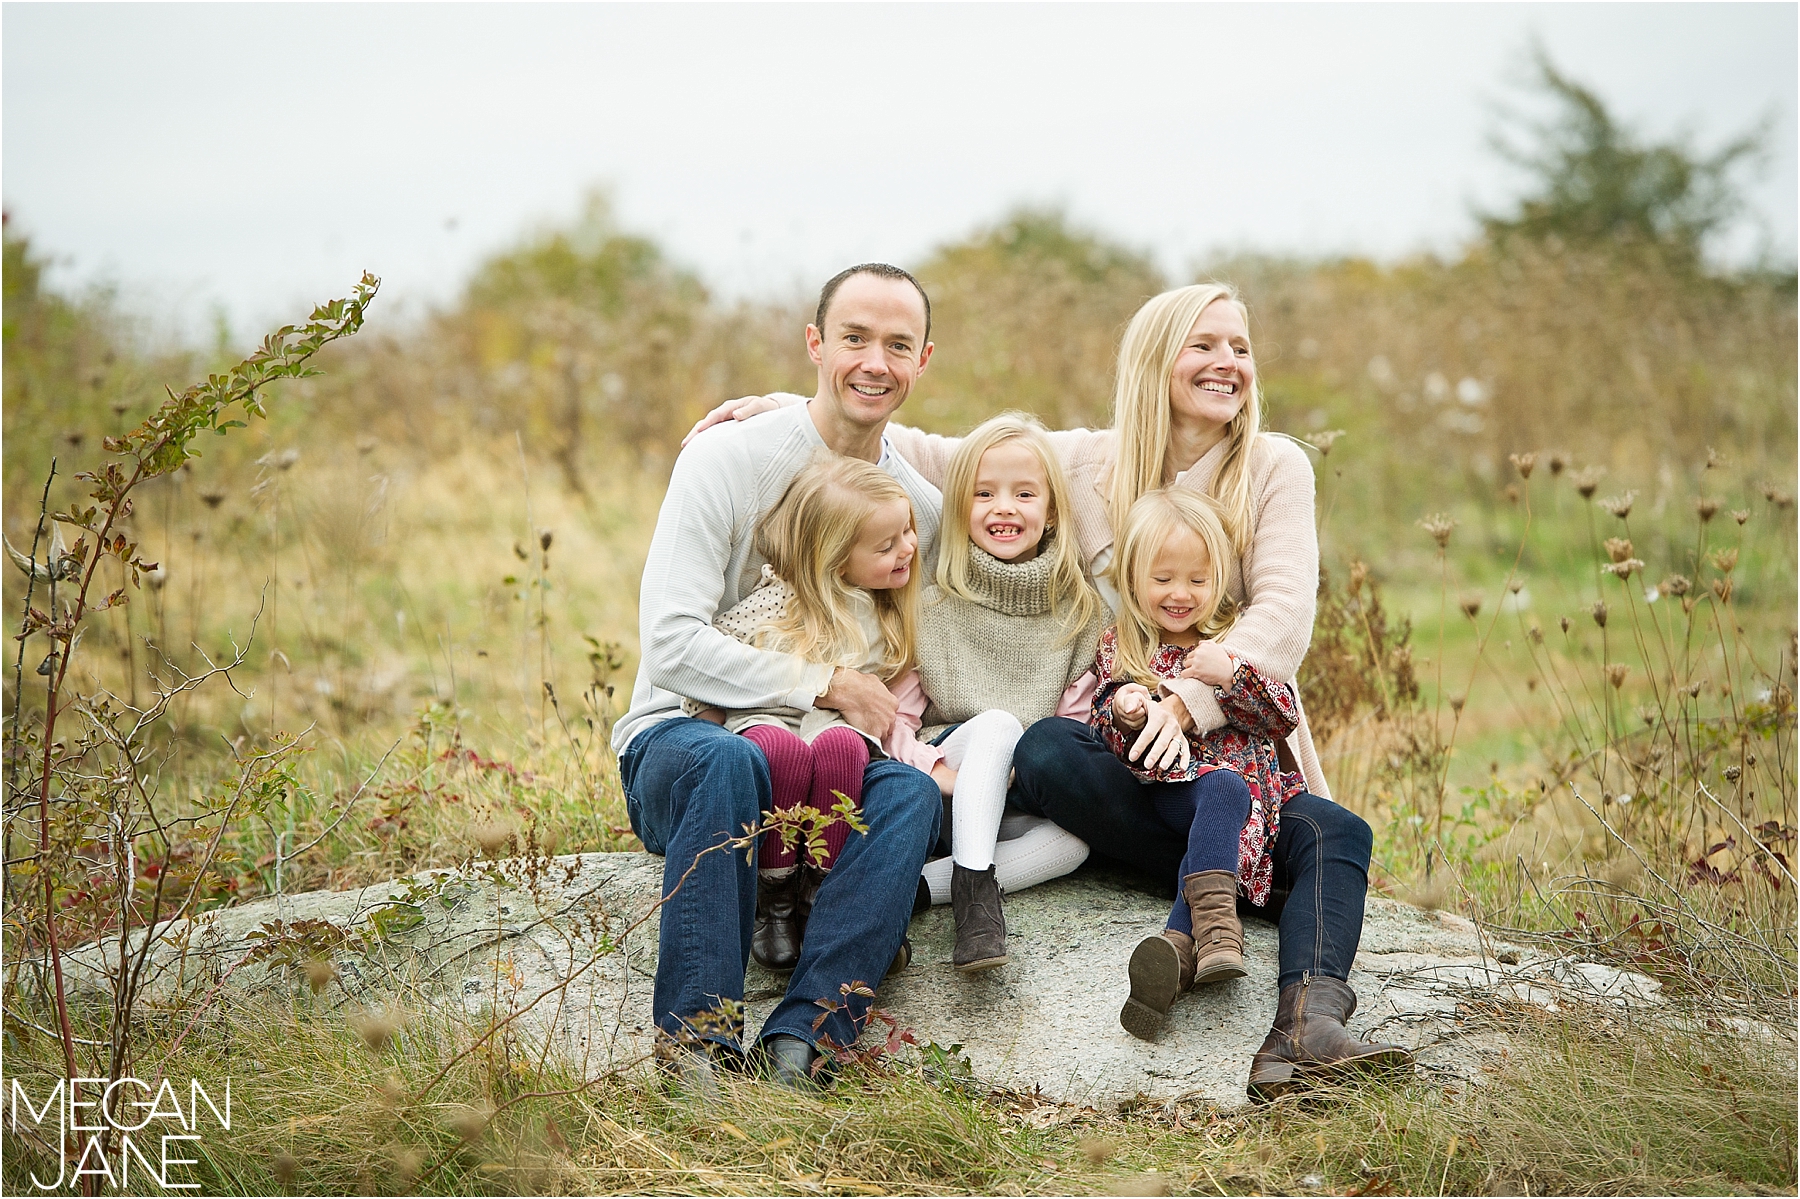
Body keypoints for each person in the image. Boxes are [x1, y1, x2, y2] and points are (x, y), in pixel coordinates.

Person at [688, 282, 1409, 1101]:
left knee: (1334, 830)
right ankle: (1009, 883)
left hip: (1227, 760)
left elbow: (1280, 620)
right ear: (1153, 359)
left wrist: (1188, 706)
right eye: (1203, 344)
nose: (1228, 363)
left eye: (1240, 347)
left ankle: (1306, 1027)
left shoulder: (1275, 465)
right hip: (1116, 769)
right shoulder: (1091, 461)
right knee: (1044, 744)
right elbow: (946, 455)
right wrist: (799, 406)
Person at [613, 263, 944, 1094]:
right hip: (686, 740)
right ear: (815, 344)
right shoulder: (727, 459)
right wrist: (824, 682)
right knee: (734, 761)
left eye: (897, 345)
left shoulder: (919, 508)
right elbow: (672, 644)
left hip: (826, 760)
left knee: (905, 794)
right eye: (854, 338)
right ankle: (697, 1044)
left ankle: (806, 1038)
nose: (875, 362)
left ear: (923, 361)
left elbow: (1036, 463)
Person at [681, 453, 941, 974]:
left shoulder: (884, 608)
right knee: (779, 752)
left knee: (844, 748)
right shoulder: (776, 602)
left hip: (835, 726)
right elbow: (706, 661)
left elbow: (890, 698)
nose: (909, 548)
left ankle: (819, 892)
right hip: (767, 716)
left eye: (908, 532)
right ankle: (774, 898)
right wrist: (707, 722)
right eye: (887, 546)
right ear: (833, 559)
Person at [1090, 487, 1299, 1040]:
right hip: (1176, 793)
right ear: (1133, 578)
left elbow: (1283, 716)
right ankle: (1219, 930)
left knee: (1226, 801)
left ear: (1220, 581)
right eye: (1163, 580)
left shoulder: (1236, 640)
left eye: (1197, 581)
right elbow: (1100, 726)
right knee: (1225, 790)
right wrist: (1126, 711)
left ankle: (1176, 954)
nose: (1180, 595)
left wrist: (1233, 674)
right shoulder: (1122, 647)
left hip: (1248, 809)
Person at [909, 414, 1106, 971]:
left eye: (1024, 493)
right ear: (959, 509)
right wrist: (934, 770)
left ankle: (918, 890)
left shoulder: (1080, 613)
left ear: (1049, 514)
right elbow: (893, 721)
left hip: (1018, 791)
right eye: (985, 493)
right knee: (997, 724)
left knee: (1074, 844)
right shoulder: (932, 608)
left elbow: (1077, 720)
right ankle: (975, 902)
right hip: (946, 780)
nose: (1004, 507)